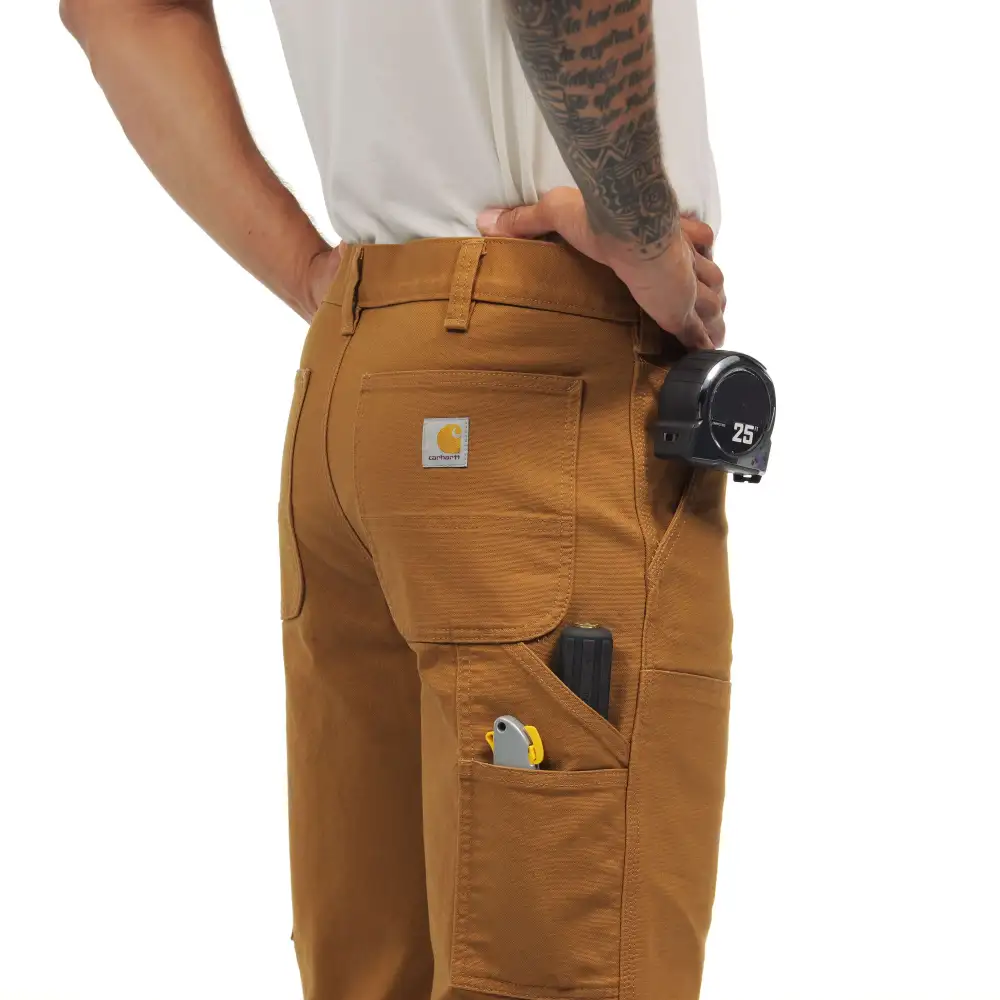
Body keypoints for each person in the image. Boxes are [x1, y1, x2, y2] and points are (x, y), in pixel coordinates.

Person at [61, 1, 733, 998]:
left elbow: (117, 11)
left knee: (372, 970)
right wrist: (640, 232)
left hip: (361, 365)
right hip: (540, 371)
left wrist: (310, 273)